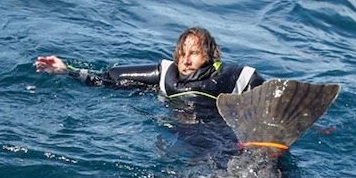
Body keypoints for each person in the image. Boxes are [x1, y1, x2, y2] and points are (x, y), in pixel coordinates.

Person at [35, 27, 264, 114]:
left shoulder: (233, 77)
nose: (185, 60)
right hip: (188, 133)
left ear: (210, 53)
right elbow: (109, 80)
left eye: (193, 53)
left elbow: (271, 99)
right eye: (182, 53)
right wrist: (68, 71)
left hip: (223, 129)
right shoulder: (166, 75)